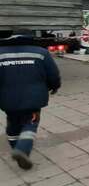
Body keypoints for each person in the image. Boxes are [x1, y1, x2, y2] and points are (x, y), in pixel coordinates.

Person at [0, 30, 60, 170]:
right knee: (30, 122)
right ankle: (22, 149)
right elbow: (53, 74)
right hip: (33, 98)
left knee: (13, 122)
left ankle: (16, 147)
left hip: (8, 99)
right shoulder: (40, 52)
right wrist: (54, 86)